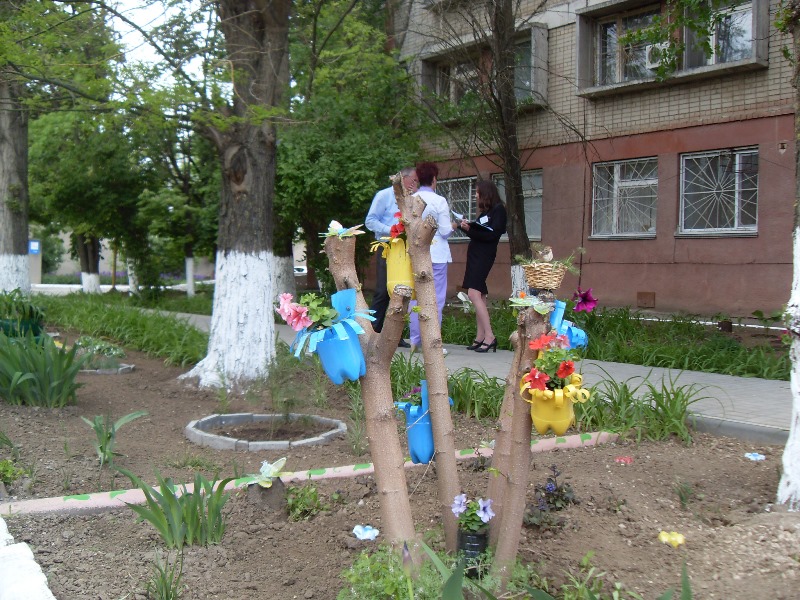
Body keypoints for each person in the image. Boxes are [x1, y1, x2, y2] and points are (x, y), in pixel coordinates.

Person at [365, 167, 418, 346]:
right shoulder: (384, 195)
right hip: (387, 246)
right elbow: (370, 221)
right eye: (413, 180)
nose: (415, 184)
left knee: (402, 290)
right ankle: (372, 332)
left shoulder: (412, 198)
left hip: (405, 248)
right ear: (403, 178)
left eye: (417, 182)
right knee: (383, 290)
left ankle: (395, 335)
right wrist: (392, 230)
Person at [455, 179, 507, 353]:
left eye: (478, 192)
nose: (476, 196)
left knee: (473, 293)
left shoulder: (499, 210)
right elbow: (477, 233)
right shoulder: (486, 211)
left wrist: (470, 230)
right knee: (480, 295)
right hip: (475, 254)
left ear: (486, 193)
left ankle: (490, 336)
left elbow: (491, 235)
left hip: (484, 255)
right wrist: (466, 227)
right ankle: (480, 336)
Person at [408, 162, 454, 355]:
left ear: (418, 179)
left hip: (415, 253)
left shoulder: (411, 199)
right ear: (434, 179)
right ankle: (432, 342)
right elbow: (444, 231)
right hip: (437, 254)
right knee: (436, 299)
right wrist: (454, 225)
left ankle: (414, 340)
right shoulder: (439, 201)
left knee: (415, 297)